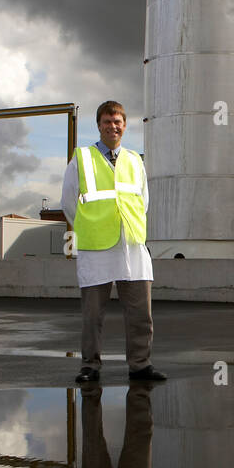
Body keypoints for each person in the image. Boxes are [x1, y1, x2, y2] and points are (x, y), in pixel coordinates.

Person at [61, 101, 164, 383]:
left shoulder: (134, 160)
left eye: (117, 121)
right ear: (99, 125)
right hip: (96, 247)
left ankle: (141, 364)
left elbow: (143, 202)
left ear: (124, 126)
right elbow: (68, 202)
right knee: (93, 314)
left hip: (131, 244)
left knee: (141, 312)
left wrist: (128, 226)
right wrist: (89, 225)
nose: (113, 126)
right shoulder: (81, 158)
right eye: (107, 121)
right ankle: (90, 366)